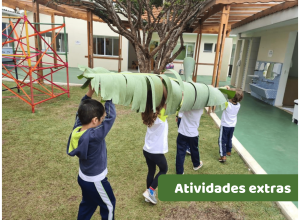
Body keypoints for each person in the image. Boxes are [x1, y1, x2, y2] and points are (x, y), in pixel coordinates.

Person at [66, 84, 116, 220]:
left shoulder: (77, 128)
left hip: (83, 177)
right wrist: (108, 95)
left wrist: (90, 92)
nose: (103, 121)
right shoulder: (95, 135)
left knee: (88, 204)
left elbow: (80, 110)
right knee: (109, 205)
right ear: (95, 120)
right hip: (96, 181)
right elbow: (111, 117)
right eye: (101, 119)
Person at [142, 82, 168, 205]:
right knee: (164, 169)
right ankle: (150, 191)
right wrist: (162, 84)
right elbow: (166, 99)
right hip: (155, 152)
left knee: (151, 171)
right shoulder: (162, 116)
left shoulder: (147, 113)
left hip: (147, 150)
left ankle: (149, 193)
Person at [218, 87, 244, 162]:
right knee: (229, 138)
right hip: (232, 126)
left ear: (231, 98)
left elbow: (222, 102)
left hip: (225, 125)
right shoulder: (238, 105)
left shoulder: (227, 104)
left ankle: (223, 156)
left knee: (222, 140)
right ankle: (228, 151)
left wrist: (227, 90)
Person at [176, 107, 204, 175]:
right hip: (193, 134)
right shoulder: (200, 108)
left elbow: (180, 114)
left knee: (180, 152)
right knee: (194, 149)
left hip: (182, 133)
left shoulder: (186, 106)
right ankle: (196, 164)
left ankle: (179, 172)